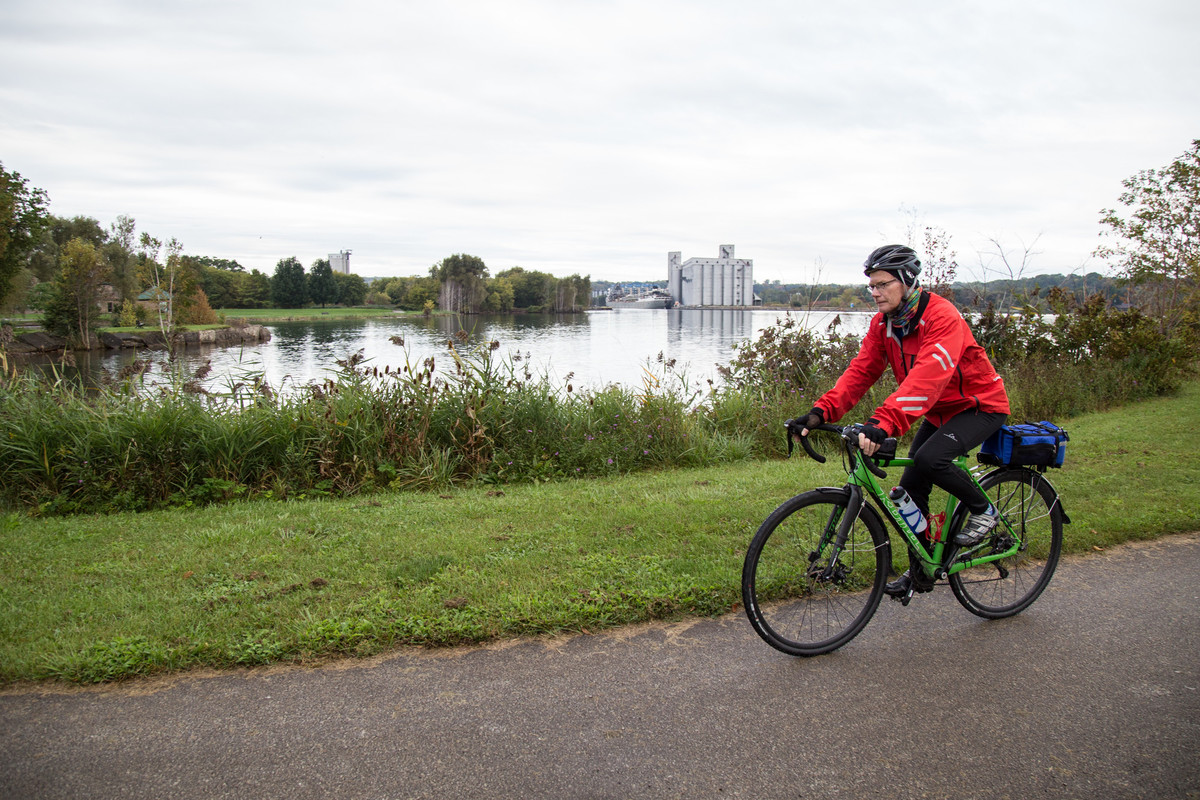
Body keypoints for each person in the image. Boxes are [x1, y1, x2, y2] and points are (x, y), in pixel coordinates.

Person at [796, 244, 1010, 597]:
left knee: (930, 459)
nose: (875, 293)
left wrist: (884, 423)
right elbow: (862, 371)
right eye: (872, 287)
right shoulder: (886, 323)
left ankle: (984, 509)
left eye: (882, 285)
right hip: (939, 412)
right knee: (910, 491)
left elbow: (928, 377)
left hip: (979, 407)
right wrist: (821, 412)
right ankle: (923, 571)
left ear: (907, 281)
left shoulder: (942, 317)